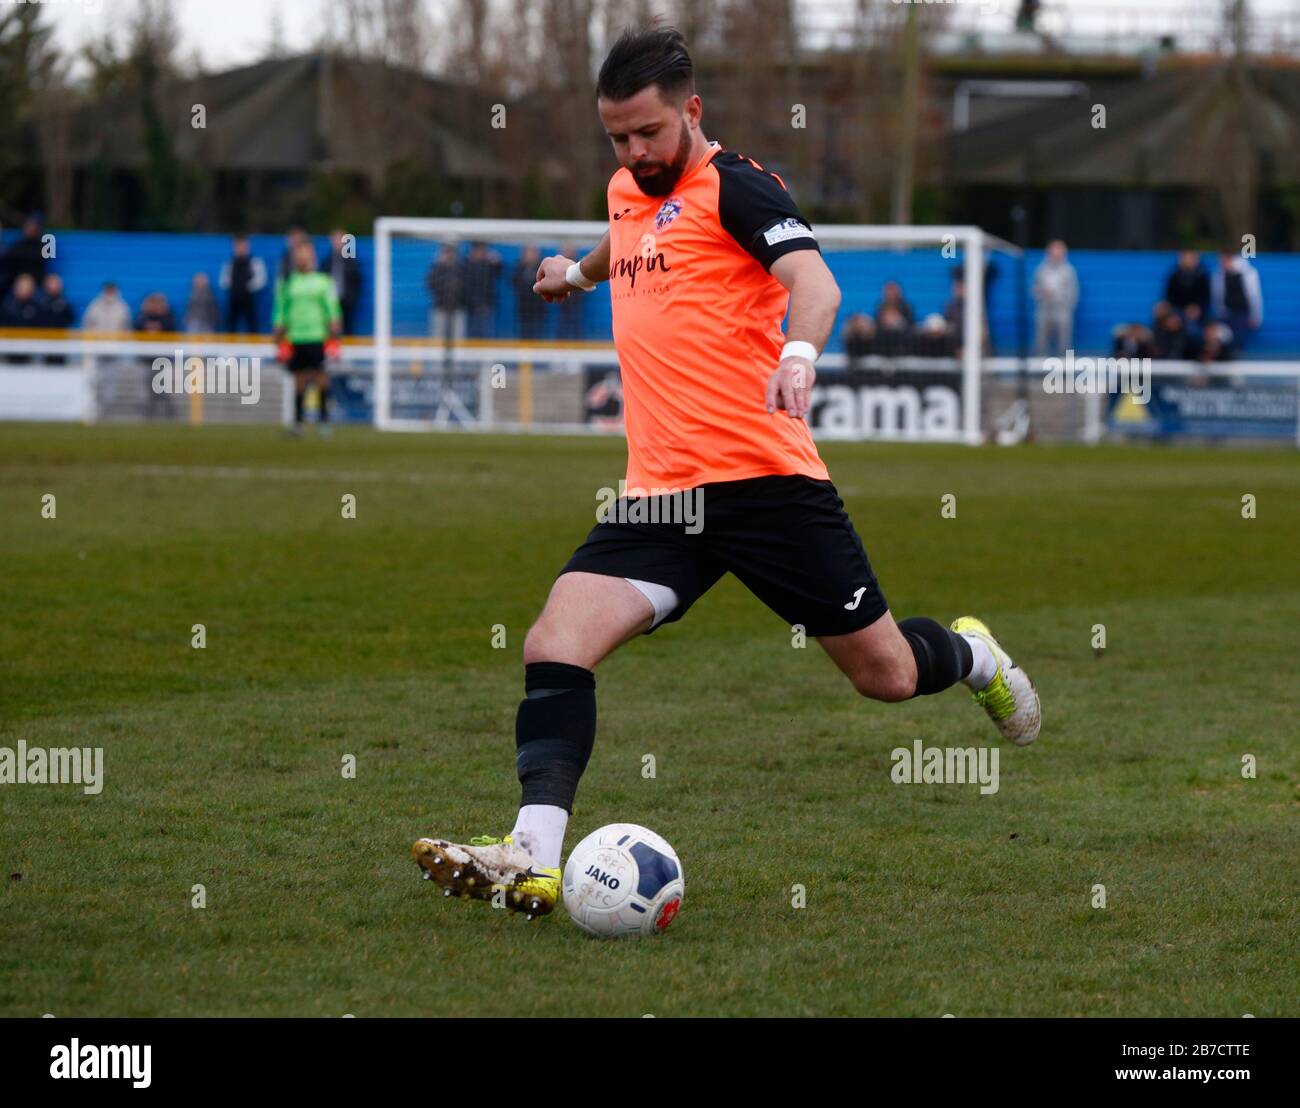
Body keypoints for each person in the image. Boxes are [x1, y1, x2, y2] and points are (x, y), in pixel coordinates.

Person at [411, 25, 1041, 921]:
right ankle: (532, 855)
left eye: (650, 135)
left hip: (766, 486)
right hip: (661, 496)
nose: (635, 153)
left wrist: (802, 353)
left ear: (691, 112)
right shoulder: (629, 189)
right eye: (619, 138)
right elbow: (621, 240)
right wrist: (573, 274)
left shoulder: (738, 187)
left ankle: (974, 653)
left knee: (887, 676)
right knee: (554, 643)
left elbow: (814, 284)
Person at [273, 238, 342, 435]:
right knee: (299, 380)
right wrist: (279, 333)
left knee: (321, 378)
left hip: (317, 336)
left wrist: (335, 334)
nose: (301, 258)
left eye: (305, 254)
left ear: (311, 256)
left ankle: (324, 420)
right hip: (295, 337)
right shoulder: (289, 283)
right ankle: (298, 423)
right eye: (298, 255)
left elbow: (332, 309)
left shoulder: (323, 282)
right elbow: (281, 310)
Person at [82, 282, 133, 411]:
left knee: (111, 380)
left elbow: (126, 327)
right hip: (96, 349)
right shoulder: (95, 306)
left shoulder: (122, 307)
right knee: (94, 379)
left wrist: (121, 343)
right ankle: (92, 406)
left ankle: (106, 408)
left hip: (113, 350)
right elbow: (87, 324)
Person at [1032, 238, 1078, 357]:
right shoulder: (1041, 270)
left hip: (1062, 310)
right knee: (1041, 341)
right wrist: (1041, 293)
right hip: (1044, 309)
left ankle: (1064, 369)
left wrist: (1067, 307)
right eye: (1054, 253)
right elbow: (1034, 289)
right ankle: (1041, 367)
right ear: (1049, 253)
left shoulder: (1069, 271)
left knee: (1064, 342)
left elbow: (1073, 292)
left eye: (1060, 253)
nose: (1056, 256)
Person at [1211, 249, 1263, 352]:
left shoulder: (1248, 273)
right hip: (1226, 314)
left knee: (1238, 340)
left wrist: (1256, 316)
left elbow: (1254, 296)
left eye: (1224, 260)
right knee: (1219, 336)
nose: (1222, 263)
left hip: (1242, 313)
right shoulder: (1219, 275)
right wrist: (1220, 312)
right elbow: (1217, 297)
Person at [136, 293, 177, 419]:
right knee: (150, 386)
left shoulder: (168, 317)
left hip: (162, 359)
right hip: (147, 359)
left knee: (160, 387)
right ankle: (151, 413)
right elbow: (137, 328)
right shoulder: (143, 317)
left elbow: (171, 330)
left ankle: (168, 412)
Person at [219, 234, 268, 333]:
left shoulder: (255, 262)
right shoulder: (230, 263)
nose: (240, 249)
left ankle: (254, 347)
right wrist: (233, 287)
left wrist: (247, 287)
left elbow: (261, 280)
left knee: (252, 324)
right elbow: (223, 281)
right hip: (233, 297)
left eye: (243, 246)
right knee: (230, 324)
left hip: (249, 298)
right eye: (238, 246)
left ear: (247, 246)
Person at [426, 244, 465, 360]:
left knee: (458, 342)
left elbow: (467, 286)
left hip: (458, 308)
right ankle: (436, 368)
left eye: (451, 252)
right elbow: (430, 285)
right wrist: (440, 266)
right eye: (446, 252)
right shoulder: (436, 268)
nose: (449, 255)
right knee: (437, 341)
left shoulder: (461, 268)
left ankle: (458, 368)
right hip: (440, 308)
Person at [322, 229, 362, 334]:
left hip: (346, 301)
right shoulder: (327, 261)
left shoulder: (351, 260)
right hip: (330, 301)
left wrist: (352, 298)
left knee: (348, 328)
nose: (338, 242)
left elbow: (357, 281)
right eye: (335, 239)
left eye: (340, 239)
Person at [0, 214, 47, 301]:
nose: (30, 229)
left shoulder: (42, 245)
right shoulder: (18, 244)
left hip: (35, 282)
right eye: (28, 226)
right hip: (13, 281)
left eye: (33, 226)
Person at [462, 241, 503, 339]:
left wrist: (497, 262)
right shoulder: (467, 264)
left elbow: (498, 272)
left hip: (487, 308)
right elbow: (466, 286)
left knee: (486, 336)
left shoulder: (489, 265)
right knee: (471, 337)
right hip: (470, 308)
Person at [36, 273, 74, 365]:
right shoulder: (40, 302)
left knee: (60, 365)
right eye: (51, 283)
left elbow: (71, 318)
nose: (53, 286)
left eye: (56, 283)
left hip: (60, 341)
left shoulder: (64, 302)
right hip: (44, 341)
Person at [1164, 249, 1209, 320]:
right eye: (1185, 257)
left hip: (1197, 310)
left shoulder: (1202, 275)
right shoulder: (1175, 275)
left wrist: (1196, 307)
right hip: (1178, 309)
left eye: (1190, 257)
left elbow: (1205, 297)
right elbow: (1170, 296)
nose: (1187, 259)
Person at [513, 245, 546, 340]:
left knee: (537, 336)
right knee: (523, 335)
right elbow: (514, 282)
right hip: (523, 310)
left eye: (533, 252)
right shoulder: (519, 267)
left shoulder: (542, 268)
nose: (530, 255)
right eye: (528, 252)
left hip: (538, 311)